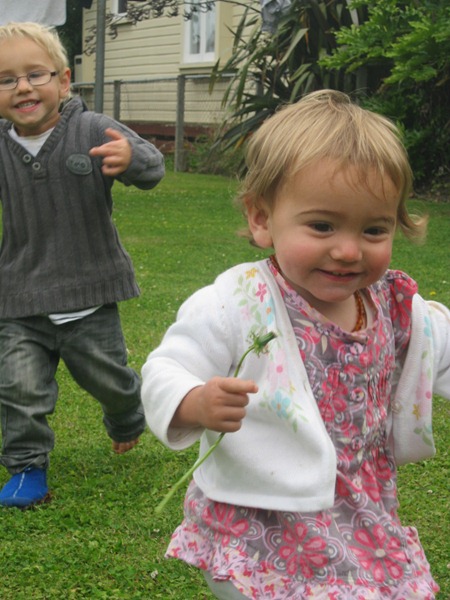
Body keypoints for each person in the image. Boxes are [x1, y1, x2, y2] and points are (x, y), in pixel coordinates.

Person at [141, 90, 450, 599]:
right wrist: (193, 401)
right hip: (260, 517)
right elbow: (167, 367)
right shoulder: (238, 301)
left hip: (359, 512)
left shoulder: (395, 307)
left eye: (374, 229)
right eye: (322, 225)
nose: (348, 250)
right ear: (262, 218)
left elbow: (442, 350)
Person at [0, 22, 165, 509]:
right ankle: (27, 467)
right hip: (19, 296)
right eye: (6, 80)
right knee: (18, 387)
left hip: (89, 293)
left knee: (108, 380)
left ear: (64, 80)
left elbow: (153, 167)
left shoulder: (92, 128)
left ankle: (127, 413)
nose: (23, 87)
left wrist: (131, 157)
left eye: (35, 74)